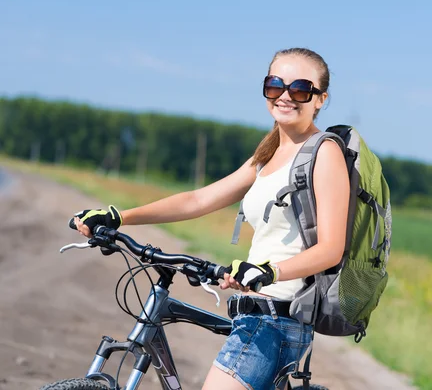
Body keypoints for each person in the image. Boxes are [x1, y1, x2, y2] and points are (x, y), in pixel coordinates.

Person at [73, 47, 350, 390]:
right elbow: (199, 199)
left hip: (279, 321)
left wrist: (268, 271)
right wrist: (119, 216)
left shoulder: (326, 152)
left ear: (320, 99)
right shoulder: (269, 153)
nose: (285, 96)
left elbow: (331, 249)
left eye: (300, 89)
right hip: (252, 315)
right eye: (275, 84)